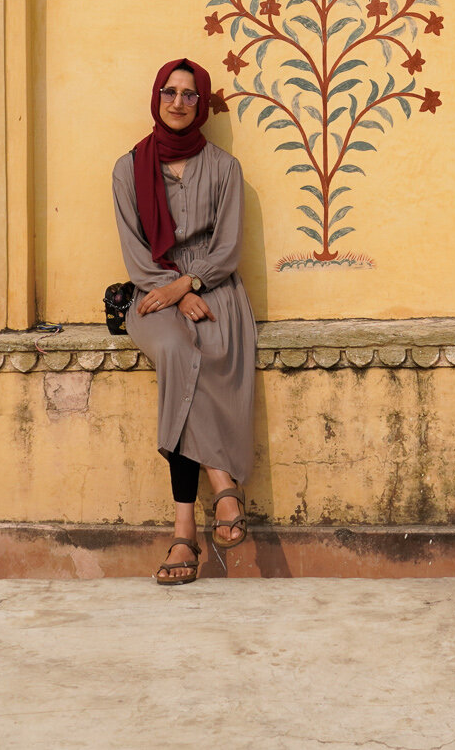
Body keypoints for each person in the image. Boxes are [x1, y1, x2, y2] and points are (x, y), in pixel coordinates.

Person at [112, 56, 257, 585]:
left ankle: (183, 533)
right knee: (176, 351)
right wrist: (169, 291)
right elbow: (135, 253)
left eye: (190, 95)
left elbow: (228, 248)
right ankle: (224, 488)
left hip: (214, 291)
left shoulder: (224, 168)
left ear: (202, 104)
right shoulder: (128, 168)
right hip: (152, 295)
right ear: (157, 97)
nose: (178, 102)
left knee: (204, 357)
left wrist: (190, 284)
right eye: (170, 92)